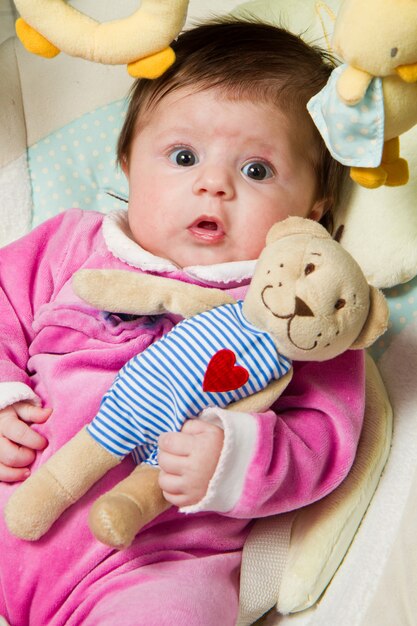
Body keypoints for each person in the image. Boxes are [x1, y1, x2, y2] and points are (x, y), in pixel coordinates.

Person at [0, 19, 363, 626]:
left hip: (154, 560)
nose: (212, 185)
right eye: (183, 156)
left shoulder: (296, 310)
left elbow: (328, 436)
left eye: (256, 170)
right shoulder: (72, 244)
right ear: (127, 162)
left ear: (315, 207)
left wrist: (238, 453)